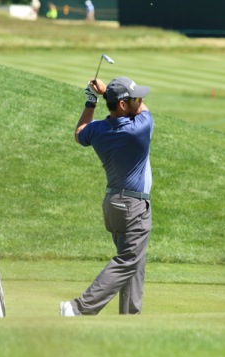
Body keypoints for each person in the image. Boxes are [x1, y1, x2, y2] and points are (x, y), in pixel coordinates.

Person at [61, 76, 153, 316]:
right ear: (123, 105)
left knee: (134, 263)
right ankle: (78, 308)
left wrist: (91, 101)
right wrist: (105, 94)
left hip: (114, 204)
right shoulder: (139, 128)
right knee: (128, 260)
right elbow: (144, 110)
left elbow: (79, 132)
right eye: (135, 98)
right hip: (133, 205)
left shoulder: (98, 129)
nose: (140, 100)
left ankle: (130, 320)